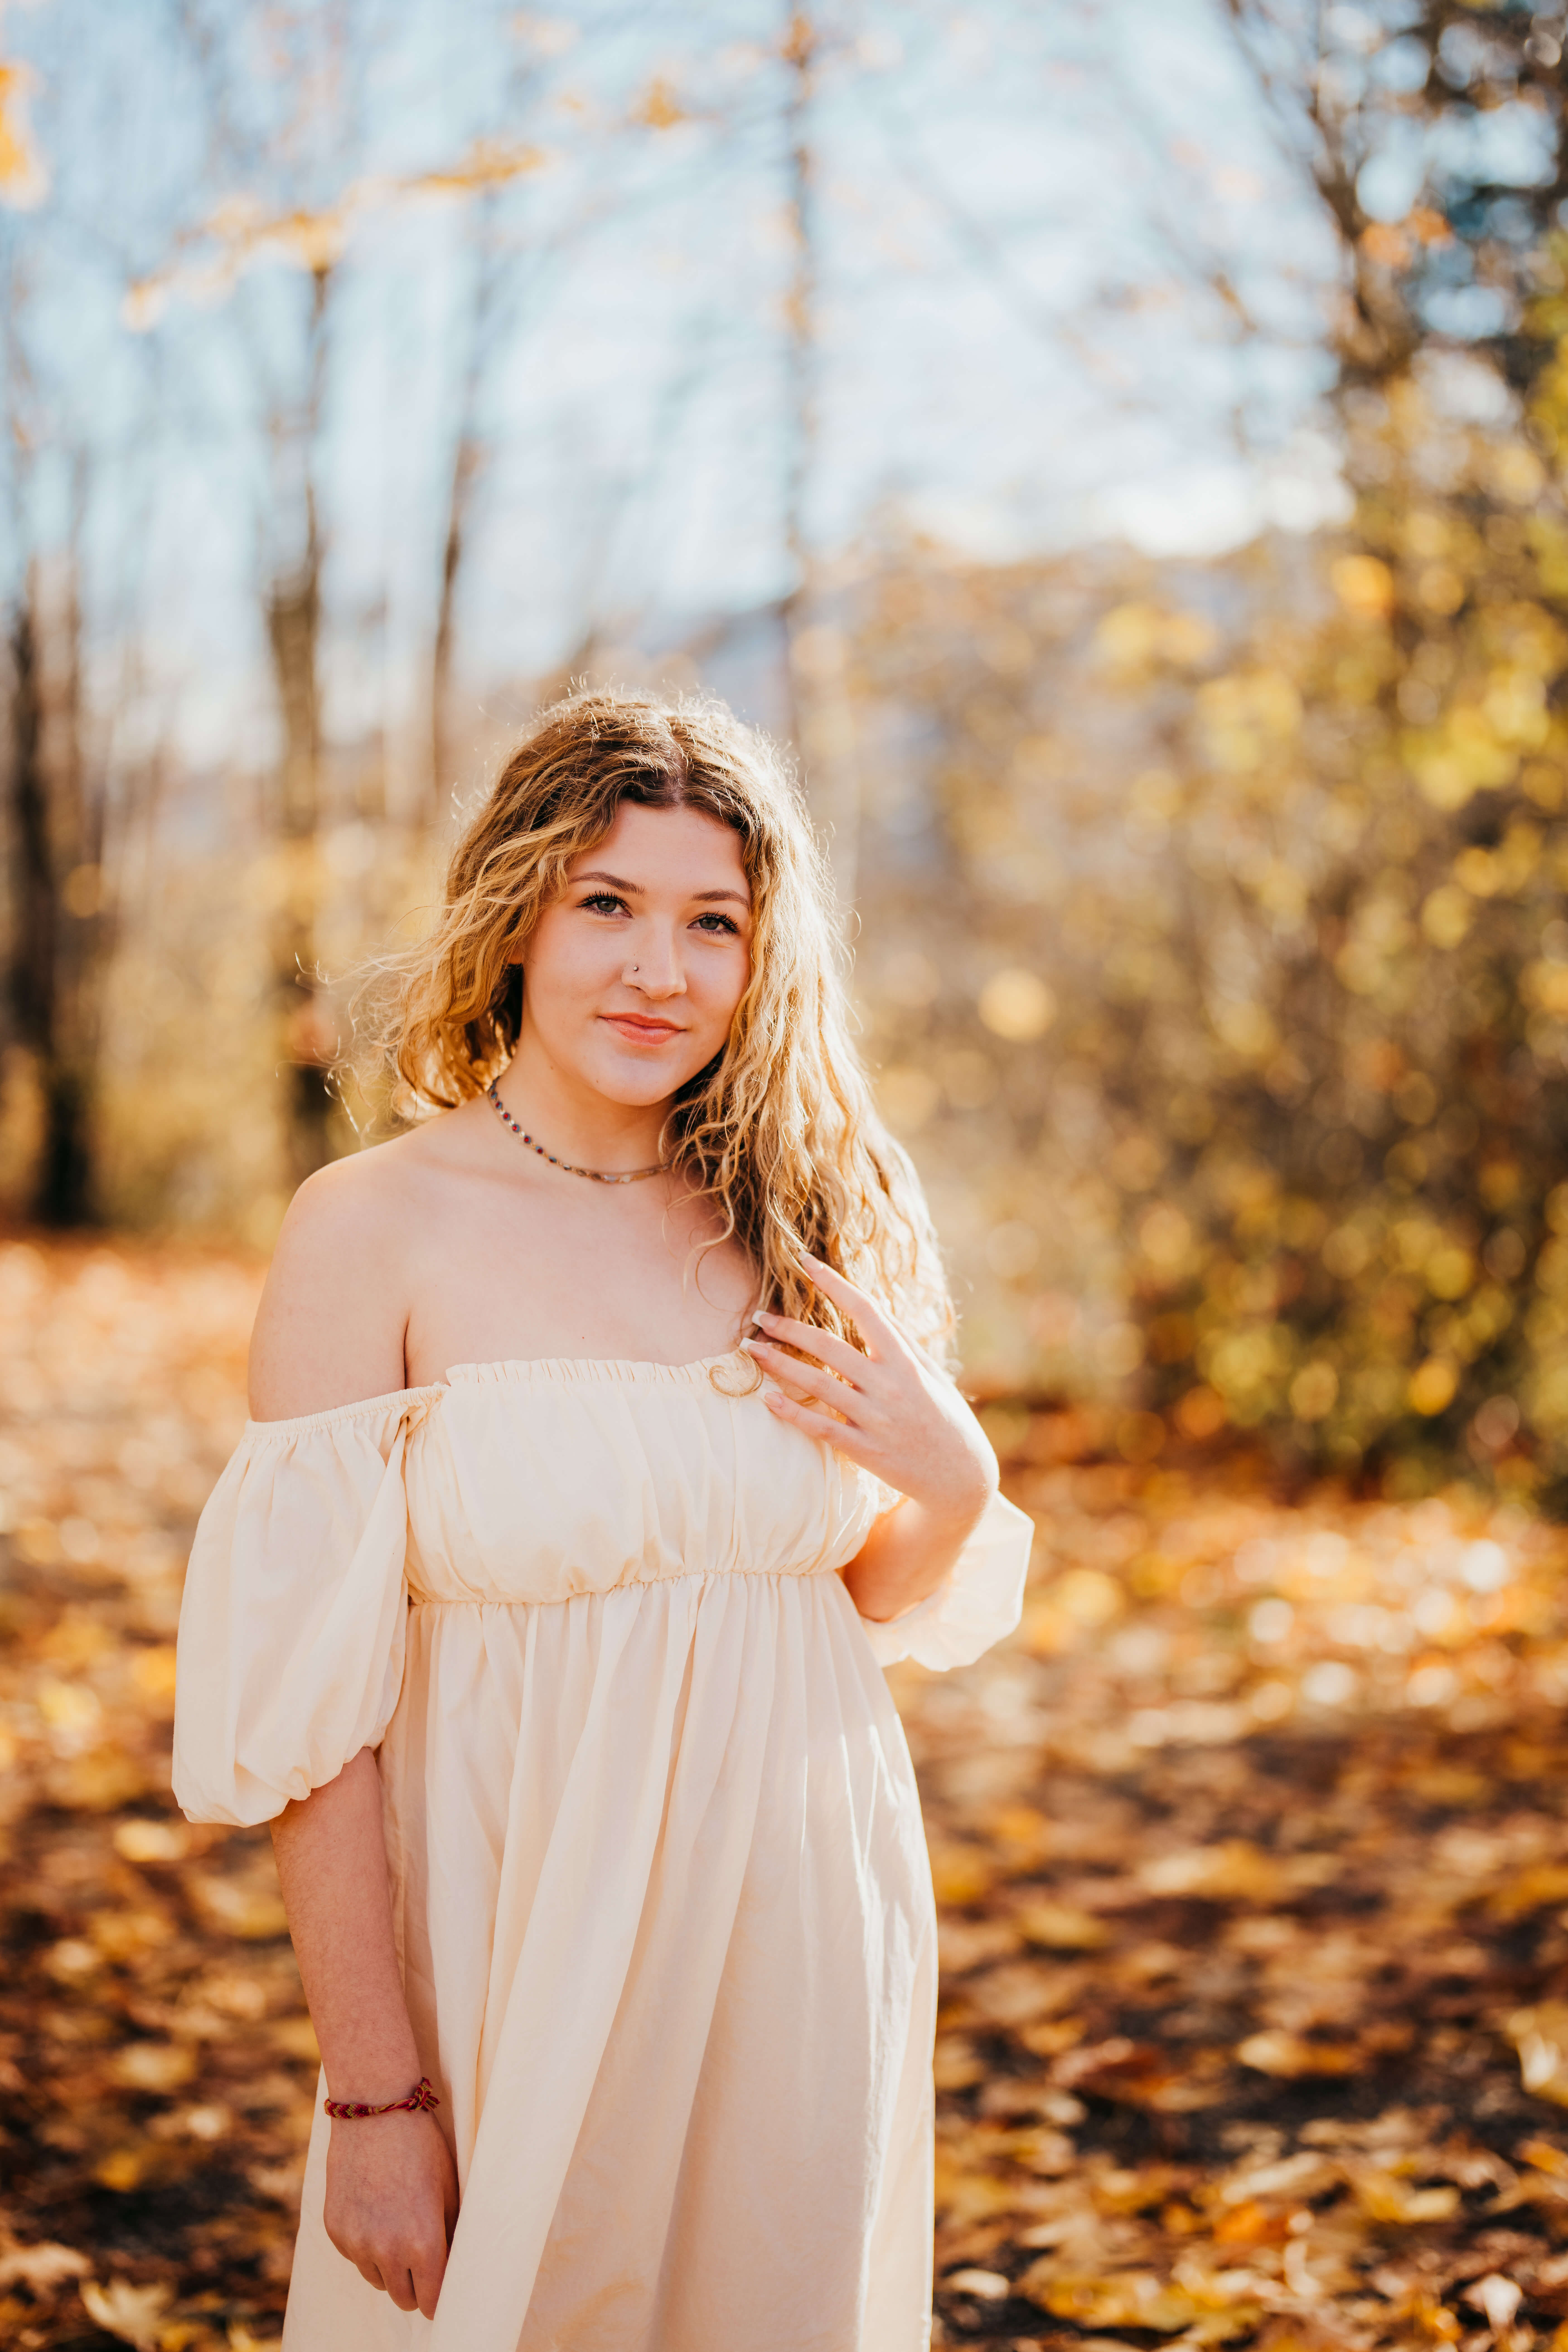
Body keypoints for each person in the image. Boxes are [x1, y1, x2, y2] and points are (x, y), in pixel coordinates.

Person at [172, 689, 1031, 2352]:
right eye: (609, 906)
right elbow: (311, 1723)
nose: (662, 969)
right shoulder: (374, 1228)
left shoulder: (798, 1206)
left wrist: (956, 1477)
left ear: (761, 956)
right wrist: (374, 2096)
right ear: (515, 916)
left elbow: (852, 1601)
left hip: (795, 1920)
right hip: (517, 1922)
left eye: (714, 921)